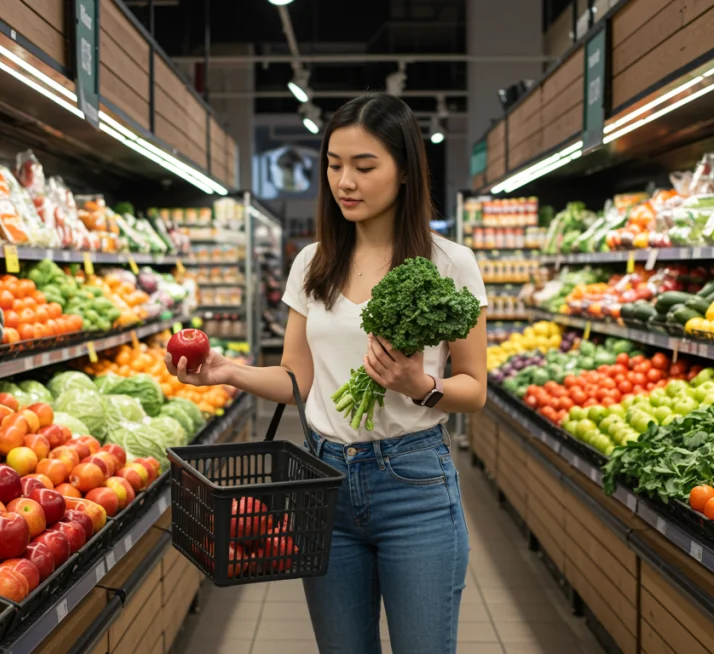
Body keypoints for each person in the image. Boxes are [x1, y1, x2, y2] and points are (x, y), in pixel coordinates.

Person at [165, 92, 488, 654]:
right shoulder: (312, 262)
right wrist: (229, 372)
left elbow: (475, 390)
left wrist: (422, 386)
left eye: (365, 167)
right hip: (324, 484)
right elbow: (299, 380)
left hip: (414, 484)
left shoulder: (450, 262)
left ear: (406, 171)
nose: (345, 181)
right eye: (335, 165)